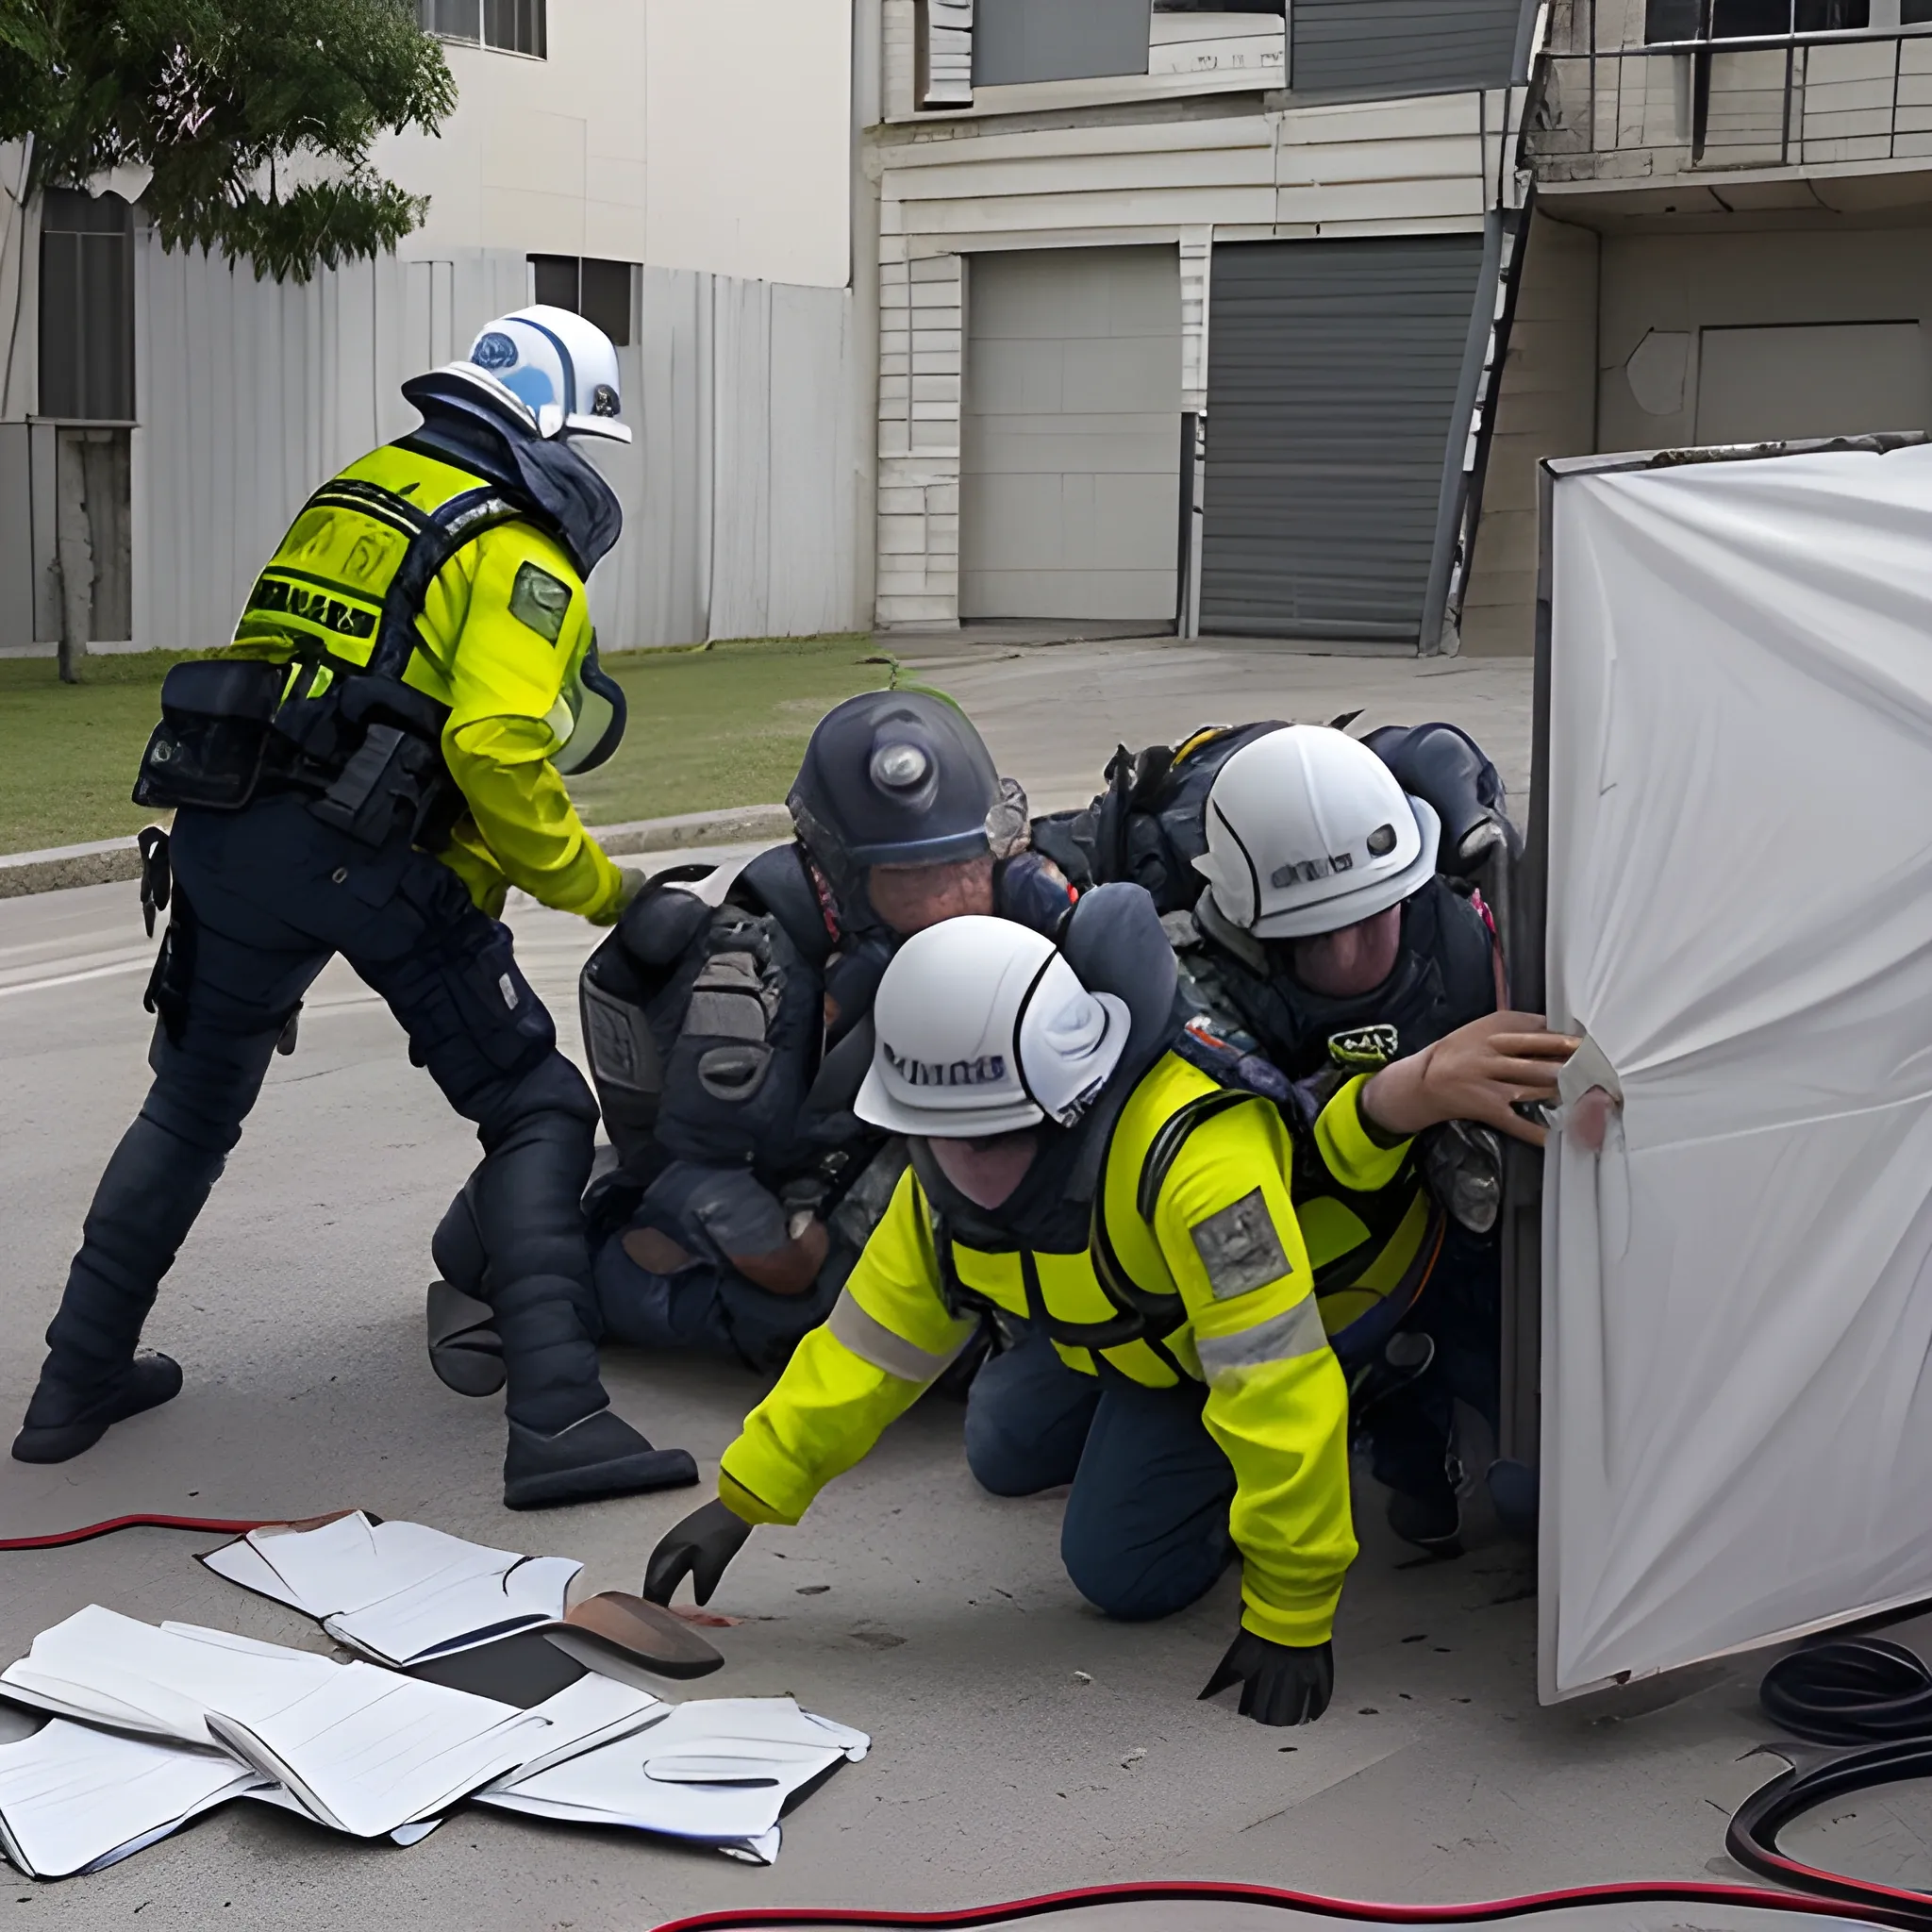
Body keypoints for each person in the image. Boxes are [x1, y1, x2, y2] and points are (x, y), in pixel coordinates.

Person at [11, 306, 699, 1511]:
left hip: (222, 835)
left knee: (189, 1103)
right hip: (363, 856)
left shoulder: (356, 494)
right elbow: (490, 744)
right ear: (548, 427)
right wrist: (604, 891)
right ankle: (559, 1423)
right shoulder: (517, 552)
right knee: (537, 1107)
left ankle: (74, 1384)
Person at [642, 891, 1575, 1726]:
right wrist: (742, 1499)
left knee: (1117, 1570)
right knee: (1001, 1449)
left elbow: (1274, 1382)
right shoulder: (940, 1168)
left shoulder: (1197, 1157)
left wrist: (1290, 1609)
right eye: (943, 1140)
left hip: (1248, 1338)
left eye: (997, 1138)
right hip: (1132, 1326)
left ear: (1069, 1101)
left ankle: (1375, 1397)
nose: (970, 1170)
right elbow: (868, 1343)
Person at [425, 689, 1074, 1392]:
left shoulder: (1010, 892)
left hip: (872, 1141)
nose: (950, 899)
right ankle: (516, 1247)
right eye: (912, 881)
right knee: (803, 1303)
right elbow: (700, 1174)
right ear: (842, 874)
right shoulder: (753, 977)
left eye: (963, 868)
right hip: (757, 1165)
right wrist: (784, 1252)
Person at [1037, 720, 1518, 1549]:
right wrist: (1398, 1098)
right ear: (1249, 922)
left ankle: (1415, 1399)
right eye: (1318, 930)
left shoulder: (1464, 927)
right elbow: (1247, 1180)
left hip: (1446, 1241)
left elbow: (1427, 748)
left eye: (1375, 913)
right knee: (1031, 1469)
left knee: (1535, 1501)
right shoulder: (1197, 991)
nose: (1355, 945)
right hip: (1271, 1276)